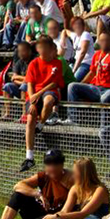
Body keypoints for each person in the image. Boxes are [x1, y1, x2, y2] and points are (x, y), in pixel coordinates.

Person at [20, 36, 65, 172]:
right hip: (34, 95)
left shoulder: (57, 63)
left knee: (49, 101)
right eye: (40, 47)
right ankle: (29, 157)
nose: (42, 50)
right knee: (30, 118)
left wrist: (37, 95)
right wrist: (32, 101)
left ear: (51, 49)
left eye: (45, 47)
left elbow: (54, 83)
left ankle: (41, 124)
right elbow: (29, 83)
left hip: (48, 92)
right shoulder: (33, 63)